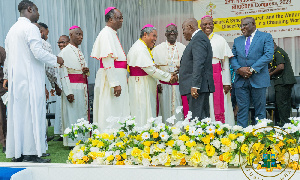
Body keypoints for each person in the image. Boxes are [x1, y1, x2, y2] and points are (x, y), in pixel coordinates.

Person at [4, 0, 63, 163]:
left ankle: (19, 153)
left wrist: (7, 76)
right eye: (36, 10)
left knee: (19, 116)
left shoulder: (12, 30)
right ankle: (31, 153)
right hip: (30, 79)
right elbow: (38, 52)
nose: (38, 14)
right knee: (33, 114)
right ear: (29, 9)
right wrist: (56, 59)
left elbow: (8, 58)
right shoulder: (31, 27)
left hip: (18, 80)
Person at [127, 24, 178, 126]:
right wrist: (169, 77)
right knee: (142, 113)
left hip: (142, 83)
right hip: (140, 85)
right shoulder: (140, 49)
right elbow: (151, 70)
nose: (155, 39)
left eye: (156, 37)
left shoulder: (143, 47)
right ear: (145, 34)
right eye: (153, 36)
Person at [91, 7, 129, 132]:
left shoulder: (111, 33)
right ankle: (108, 137)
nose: (122, 20)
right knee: (110, 109)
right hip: (111, 80)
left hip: (117, 78)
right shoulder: (106, 33)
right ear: (110, 19)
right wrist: (114, 83)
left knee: (117, 109)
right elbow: (107, 60)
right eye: (119, 18)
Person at [230, 17, 274, 128]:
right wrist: (239, 69)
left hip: (258, 79)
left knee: (260, 111)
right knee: (242, 110)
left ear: (253, 24)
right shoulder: (237, 40)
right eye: (241, 26)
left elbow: (268, 55)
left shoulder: (265, 37)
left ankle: (259, 137)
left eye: (244, 25)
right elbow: (232, 57)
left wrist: (251, 69)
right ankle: (242, 137)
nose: (242, 28)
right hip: (241, 80)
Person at [200, 15, 234, 126]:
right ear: (201, 26)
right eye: (205, 24)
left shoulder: (220, 40)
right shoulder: (197, 39)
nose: (207, 26)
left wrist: (227, 82)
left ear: (213, 25)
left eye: (210, 24)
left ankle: (221, 127)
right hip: (202, 76)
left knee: (219, 103)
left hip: (217, 76)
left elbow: (225, 63)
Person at [58, 26, 89, 146]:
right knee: (72, 115)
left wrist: (86, 71)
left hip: (81, 87)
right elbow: (63, 73)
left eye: (81, 35)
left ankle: (83, 139)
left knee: (81, 114)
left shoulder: (78, 50)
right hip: (72, 88)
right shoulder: (65, 52)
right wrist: (68, 91)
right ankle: (73, 142)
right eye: (78, 34)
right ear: (70, 35)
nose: (80, 37)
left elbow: (82, 70)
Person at [179, 18, 214, 120]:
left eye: (183, 29)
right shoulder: (199, 38)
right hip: (199, 86)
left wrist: (195, 85)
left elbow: (199, 63)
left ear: (190, 27)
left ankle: (201, 136)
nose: (183, 33)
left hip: (197, 88)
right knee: (200, 118)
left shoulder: (198, 38)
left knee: (197, 118)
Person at [152, 23, 186, 122]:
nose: (172, 33)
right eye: (169, 31)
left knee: (179, 109)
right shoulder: (157, 49)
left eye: (174, 31)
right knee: (164, 109)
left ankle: (179, 131)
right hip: (163, 85)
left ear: (177, 33)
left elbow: (187, 67)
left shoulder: (183, 47)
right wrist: (157, 83)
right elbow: (154, 68)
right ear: (165, 34)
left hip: (179, 85)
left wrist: (179, 75)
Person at [269, 40, 296, 126]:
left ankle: (285, 125)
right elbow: (277, 66)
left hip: (283, 82)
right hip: (285, 81)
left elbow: (281, 67)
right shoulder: (278, 51)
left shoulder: (277, 52)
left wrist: (271, 74)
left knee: (282, 105)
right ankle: (287, 124)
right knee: (285, 104)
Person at [54, 35, 69, 141]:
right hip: (60, 85)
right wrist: (56, 86)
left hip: (68, 86)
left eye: (63, 42)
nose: (61, 44)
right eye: (59, 43)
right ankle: (61, 133)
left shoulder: (70, 54)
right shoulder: (58, 56)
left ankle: (67, 132)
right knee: (60, 110)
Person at [0, 46, 6, 153]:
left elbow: (6, 67)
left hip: (1, 87)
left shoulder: (1, 50)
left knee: (1, 116)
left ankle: (4, 142)